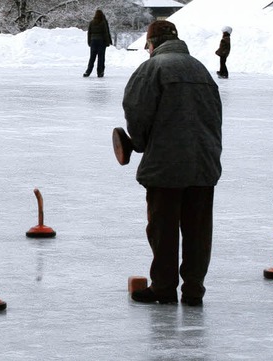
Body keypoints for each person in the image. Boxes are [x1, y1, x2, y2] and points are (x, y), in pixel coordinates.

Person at [122, 20, 222, 306]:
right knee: (198, 230)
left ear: (151, 44)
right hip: (204, 164)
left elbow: (137, 111)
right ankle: (193, 290)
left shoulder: (151, 68)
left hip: (166, 165)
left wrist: (139, 144)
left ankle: (164, 287)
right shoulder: (201, 70)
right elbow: (214, 117)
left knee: (163, 228)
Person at [83, 9, 113, 78]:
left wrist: (89, 42)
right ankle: (100, 72)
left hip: (93, 41)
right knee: (101, 58)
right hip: (101, 41)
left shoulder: (92, 22)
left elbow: (89, 33)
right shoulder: (103, 22)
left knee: (92, 57)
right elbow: (106, 33)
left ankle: (88, 72)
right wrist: (107, 42)